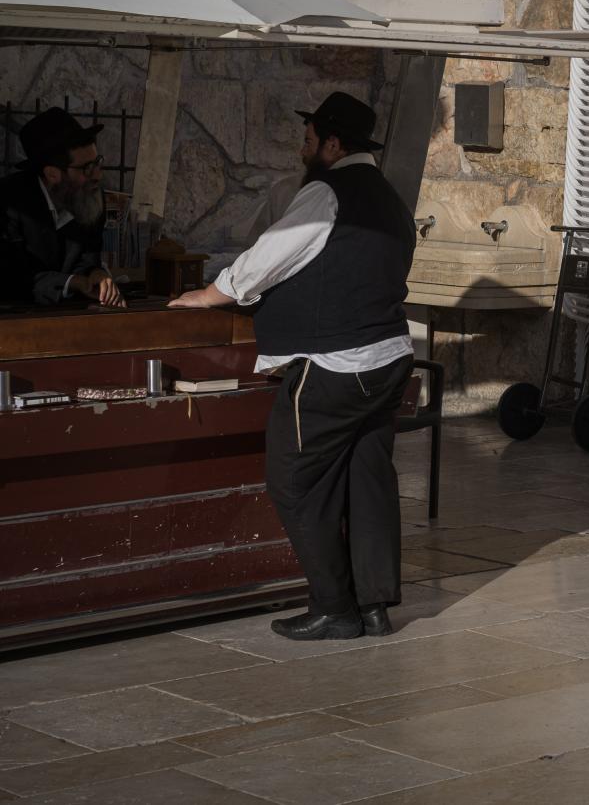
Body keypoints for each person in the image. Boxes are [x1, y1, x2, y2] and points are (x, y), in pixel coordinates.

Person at [171, 91, 416, 642]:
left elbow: (273, 251)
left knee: (294, 479)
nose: (302, 148)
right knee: (367, 481)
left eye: (308, 139)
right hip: (389, 359)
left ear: (332, 144)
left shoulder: (326, 192)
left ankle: (335, 609)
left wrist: (213, 293)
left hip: (337, 364)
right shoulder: (389, 197)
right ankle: (374, 607)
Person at [0, 107, 125, 309]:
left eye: (97, 162)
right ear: (52, 174)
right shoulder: (8, 202)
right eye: (87, 168)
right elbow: (14, 278)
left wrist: (95, 274)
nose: (98, 176)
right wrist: (72, 282)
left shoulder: (89, 197)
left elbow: (86, 258)